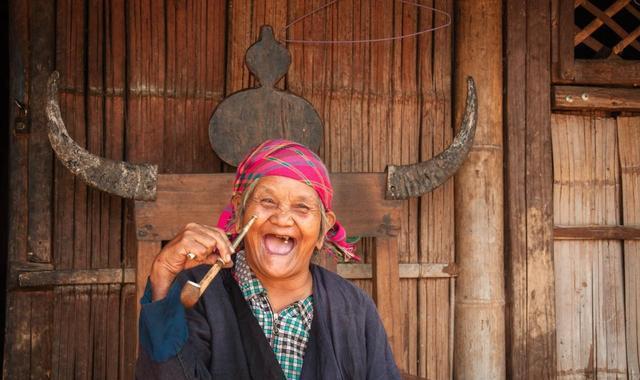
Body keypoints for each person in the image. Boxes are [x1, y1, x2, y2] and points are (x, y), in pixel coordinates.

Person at [136, 139, 401, 379]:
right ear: (239, 212)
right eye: (267, 201)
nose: (282, 218)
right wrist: (162, 277)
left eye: (302, 207)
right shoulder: (197, 291)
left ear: (323, 228)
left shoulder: (353, 307)